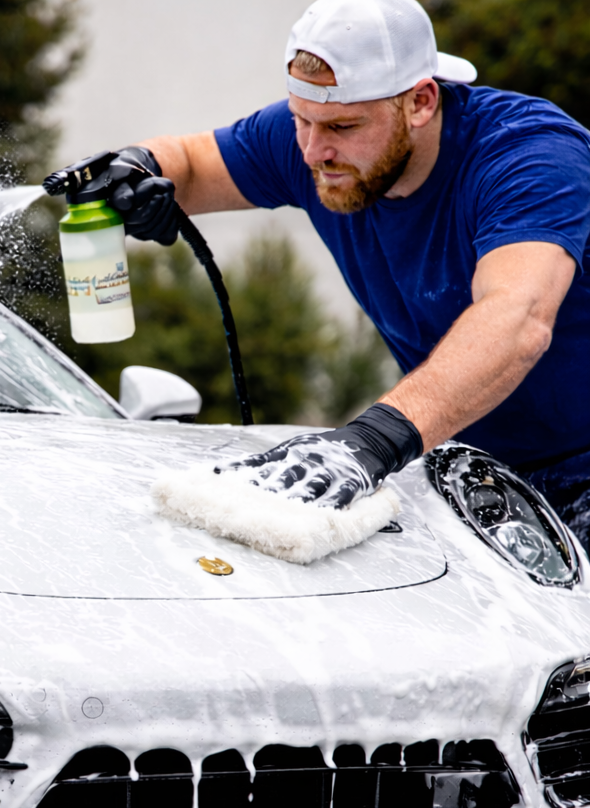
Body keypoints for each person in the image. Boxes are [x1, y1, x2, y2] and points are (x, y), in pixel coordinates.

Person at [47, 0, 590, 547]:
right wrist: (139, 168)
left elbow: (517, 316)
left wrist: (373, 440)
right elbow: (190, 163)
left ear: (421, 102)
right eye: (299, 119)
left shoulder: (530, 157)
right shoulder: (314, 142)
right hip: (474, 469)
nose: (311, 152)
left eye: (341, 126)